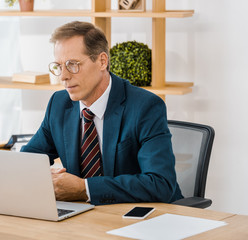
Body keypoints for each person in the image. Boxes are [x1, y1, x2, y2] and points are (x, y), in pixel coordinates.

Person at [21, 21, 183, 205]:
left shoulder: (146, 107)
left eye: (72, 65)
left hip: (143, 217)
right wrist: (40, 174)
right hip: (84, 217)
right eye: (58, 66)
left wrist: (85, 188)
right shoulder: (59, 104)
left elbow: (160, 184)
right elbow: (28, 160)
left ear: (102, 61)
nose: (63, 76)